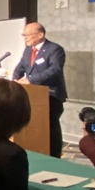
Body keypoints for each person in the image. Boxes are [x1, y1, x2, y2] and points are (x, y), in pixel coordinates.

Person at [12, 22, 67, 158]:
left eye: (27, 35)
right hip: (33, 96)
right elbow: (21, 67)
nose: (25, 37)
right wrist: (14, 79)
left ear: (40, 34)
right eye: (23, 35)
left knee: (51, 128)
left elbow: (54, 69)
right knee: (36, 127)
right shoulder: (28, 50)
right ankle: (37, 151)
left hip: (50, 96)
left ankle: (55, 156)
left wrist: (31, 80)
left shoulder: (54, 49)